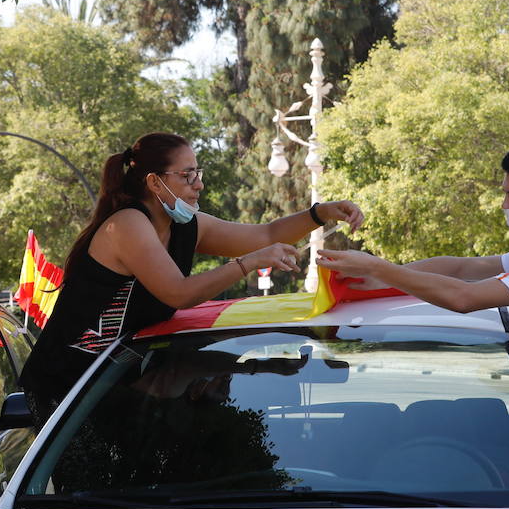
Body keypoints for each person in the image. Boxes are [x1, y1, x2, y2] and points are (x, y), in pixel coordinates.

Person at [317, 139, 509, 483]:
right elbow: (460, 269)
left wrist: (378, 269)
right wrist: (374, 281)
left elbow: (463, 297)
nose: (505, 205)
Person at [22, 131, 364, 412]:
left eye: (197, 173)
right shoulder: (127, 224)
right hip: (67, 388)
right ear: (155, 183)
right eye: (187, 176)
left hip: (119, 381)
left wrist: (319, 213)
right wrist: (250, 262)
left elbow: (266, 235)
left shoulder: (186, 225)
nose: (198, 184)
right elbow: (179, 293)